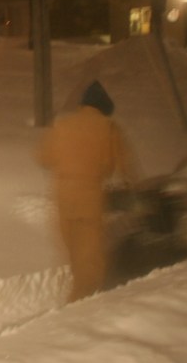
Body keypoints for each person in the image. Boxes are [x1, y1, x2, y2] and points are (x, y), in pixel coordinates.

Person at [37, 80, 136, 303]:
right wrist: (133, 188)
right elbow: (126, 167)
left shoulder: (62, 125)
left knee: (73, 250)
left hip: (63, 196)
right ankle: (82, 307)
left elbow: (42, 157)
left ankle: (78, 296)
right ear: (104, 107)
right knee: (90, 256)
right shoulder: (108, 128)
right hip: (89, 196)